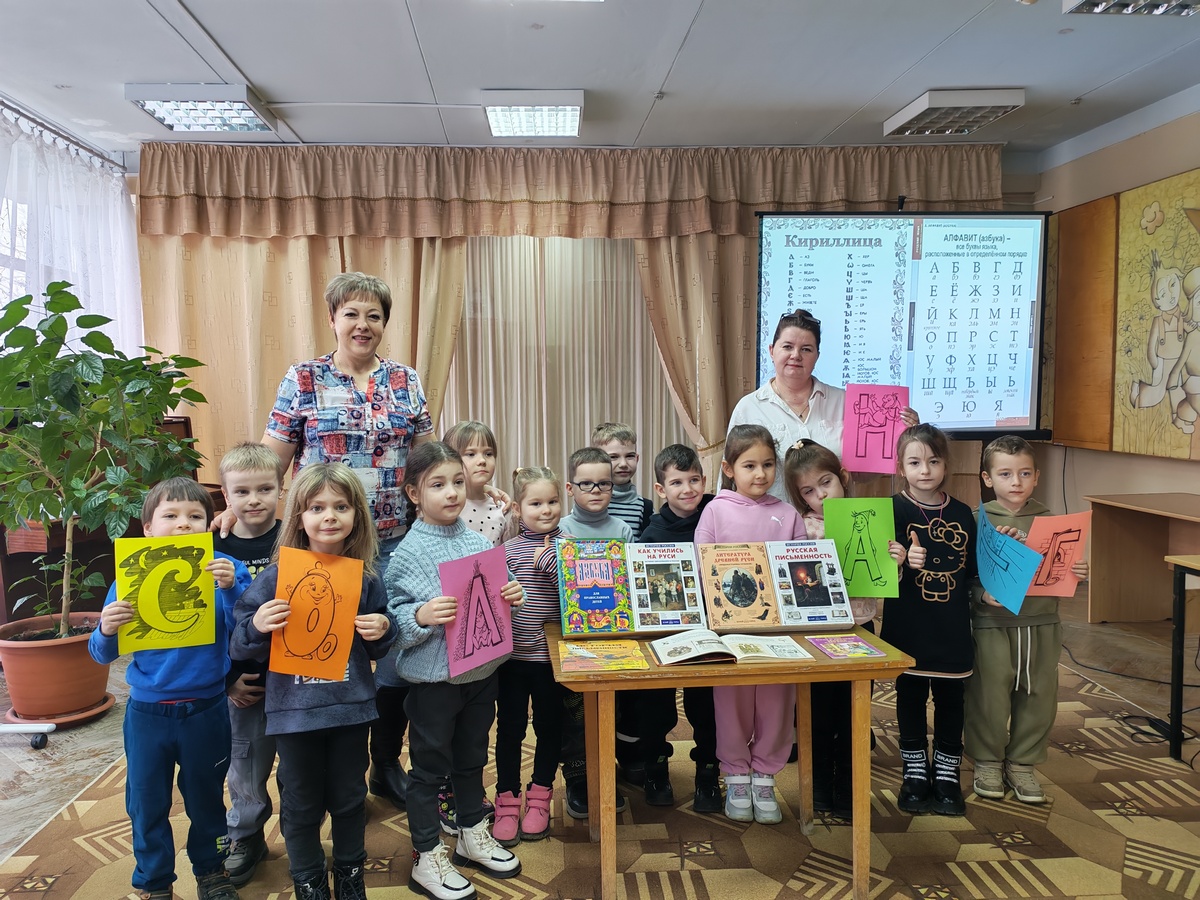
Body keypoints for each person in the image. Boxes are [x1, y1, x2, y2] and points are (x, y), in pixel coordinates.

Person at [229, 462, 397, 900]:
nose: (329, 516)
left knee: (349, 797)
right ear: (299, 516)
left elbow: (381, 644)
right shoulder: (275, 578)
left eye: (341, 506)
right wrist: (257, 626)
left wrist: (384, 628)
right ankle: (308, 879)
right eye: (317, 507)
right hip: (294, 714)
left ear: (357, 514)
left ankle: (350, 874)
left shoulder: (364, 577)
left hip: (350, 709)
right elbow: (239, 645)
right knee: (301, 802)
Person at [88, 477, 252, 900]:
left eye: (195, 516)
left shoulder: (226, 570)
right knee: (146, 801)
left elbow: (246, 635)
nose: (183, 524)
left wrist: (231, 590)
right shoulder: (129, 577)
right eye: (171, 515)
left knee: (207, 798)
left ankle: (211, 872)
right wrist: (106, 629)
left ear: (209, 524)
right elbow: (100, 654)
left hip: (207, 709)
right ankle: (154, 881)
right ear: (148, 528)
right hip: (148, 713)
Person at [385, 442, 525, 900]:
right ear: (413, 493)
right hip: (434, 684)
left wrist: (513, 594)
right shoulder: (407, 553)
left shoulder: (477, 543)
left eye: (458, 482)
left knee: (472, 759)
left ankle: (470, 833)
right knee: (429, 770)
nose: (451, 493)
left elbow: (498, 593)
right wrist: (420, 616)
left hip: (481, 675)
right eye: (438, 485)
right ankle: (426, 854)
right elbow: (393, 623)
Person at [783, 438, 905, 818]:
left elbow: (885, 576)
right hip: (816, 633)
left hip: (861, 627)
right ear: (800, 497)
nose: (820, 495)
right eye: (809, 491)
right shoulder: (802, 527)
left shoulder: (869, 516)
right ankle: (819, 783)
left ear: (844, 478)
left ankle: (849, 785)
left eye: (826, 483)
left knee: (854, 711)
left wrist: (895, 560)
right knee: (818, 712)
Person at [966, 436, 1089, 804]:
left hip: (1042, 621)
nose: (1015, 482)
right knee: (989, 693)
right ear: (988, 478)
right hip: (991, 623)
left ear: (1036, 476)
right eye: (1005, 474)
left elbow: (1062, 568)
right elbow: (962, 574)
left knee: (1039, 693)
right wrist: (981, 594)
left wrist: (1078, 571)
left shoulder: (1053, 521)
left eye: (1024, 473)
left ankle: (1022, 762)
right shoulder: (976, 520)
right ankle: (988, 760)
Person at [694, 424, 807, 823]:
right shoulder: (715, 510)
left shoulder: (788, 514)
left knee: (777, 705)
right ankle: (736, 776)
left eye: (768, 465)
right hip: (729, 634)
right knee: (731, 705)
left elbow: (801, 571)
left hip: (778, 635)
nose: (760, 474)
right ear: (729, 469)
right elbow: (702, 566)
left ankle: (765, 776)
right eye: (749, 465)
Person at [884, 424, 977, 817]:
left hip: (951, 627)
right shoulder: (890, 510)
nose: (925, 470)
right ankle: (915, 770)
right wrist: (902, 561)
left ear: (945, 465)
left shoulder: (962, 513)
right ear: (901, 467)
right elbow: (877, 574)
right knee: (909, 696)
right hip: (908, 625)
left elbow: (971, 572)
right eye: (915, 462)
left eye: (934, 461)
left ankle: (947, 771)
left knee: (951, 699)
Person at [727, 309, 917, 499]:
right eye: (787, 347)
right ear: (771, 350)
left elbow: (863, 473)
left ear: (817, 355)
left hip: (835, 517)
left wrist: (903, 436)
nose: (796, 355)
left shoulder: (847, 403)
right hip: (771, 517)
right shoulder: (749, 408)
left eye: (806, 349)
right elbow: (732, 482)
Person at [628, 444, 720, 812]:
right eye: (676, 482)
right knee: (656, 708)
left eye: (694, 480)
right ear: (661, 489)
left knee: (707, 708)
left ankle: (708, 773)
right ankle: (656, 769)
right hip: (663, 636)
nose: (687, 489)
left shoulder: (716, 516)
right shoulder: (653, 532)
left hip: (710, 634)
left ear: (704, 480)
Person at [214, 443, 284, 888]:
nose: (254, 500)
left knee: (300, 761)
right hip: (245, 680)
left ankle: (301, 832)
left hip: (297, 675)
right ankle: (246, 835)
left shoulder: (297, 536)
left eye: (265, 489)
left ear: (281, 488)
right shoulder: (213, 546)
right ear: (225, 495)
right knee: (246, 762)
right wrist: (228, 680)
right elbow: (206, 625)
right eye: (241, 492)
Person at [491, 467, 569, 846]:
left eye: (552, 501)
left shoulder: (570, 547)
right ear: (519, 509)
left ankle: (540, 796)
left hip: (553, 660)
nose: (546, 510)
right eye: (536, 503)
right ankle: (507, 799)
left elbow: (583, 600)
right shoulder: (506, 551)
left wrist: (552, 563)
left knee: (550, 728)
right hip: (512, 660)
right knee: (510, 729)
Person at [556, 445, 631, 819]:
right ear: (571, 488)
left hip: (614, 636)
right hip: (573, 638)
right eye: (587, 484)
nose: (597, 490)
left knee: (610, 709)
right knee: (574, 712)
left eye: (604, 483)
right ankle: (576, 774)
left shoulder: (623, 530)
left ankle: (605, 769)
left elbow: (630, 584)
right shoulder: (560, 530)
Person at [444, 420, 511, 546]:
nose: (482, 460)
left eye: (488, 454)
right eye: (471, 454)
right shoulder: (445, 506)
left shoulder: (502, 507)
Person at [592, 422, 652, 536]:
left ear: (637, 458)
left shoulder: (646, 508)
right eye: (613, 457)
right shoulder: (589, 503)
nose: (623, 464)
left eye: (630, 456)